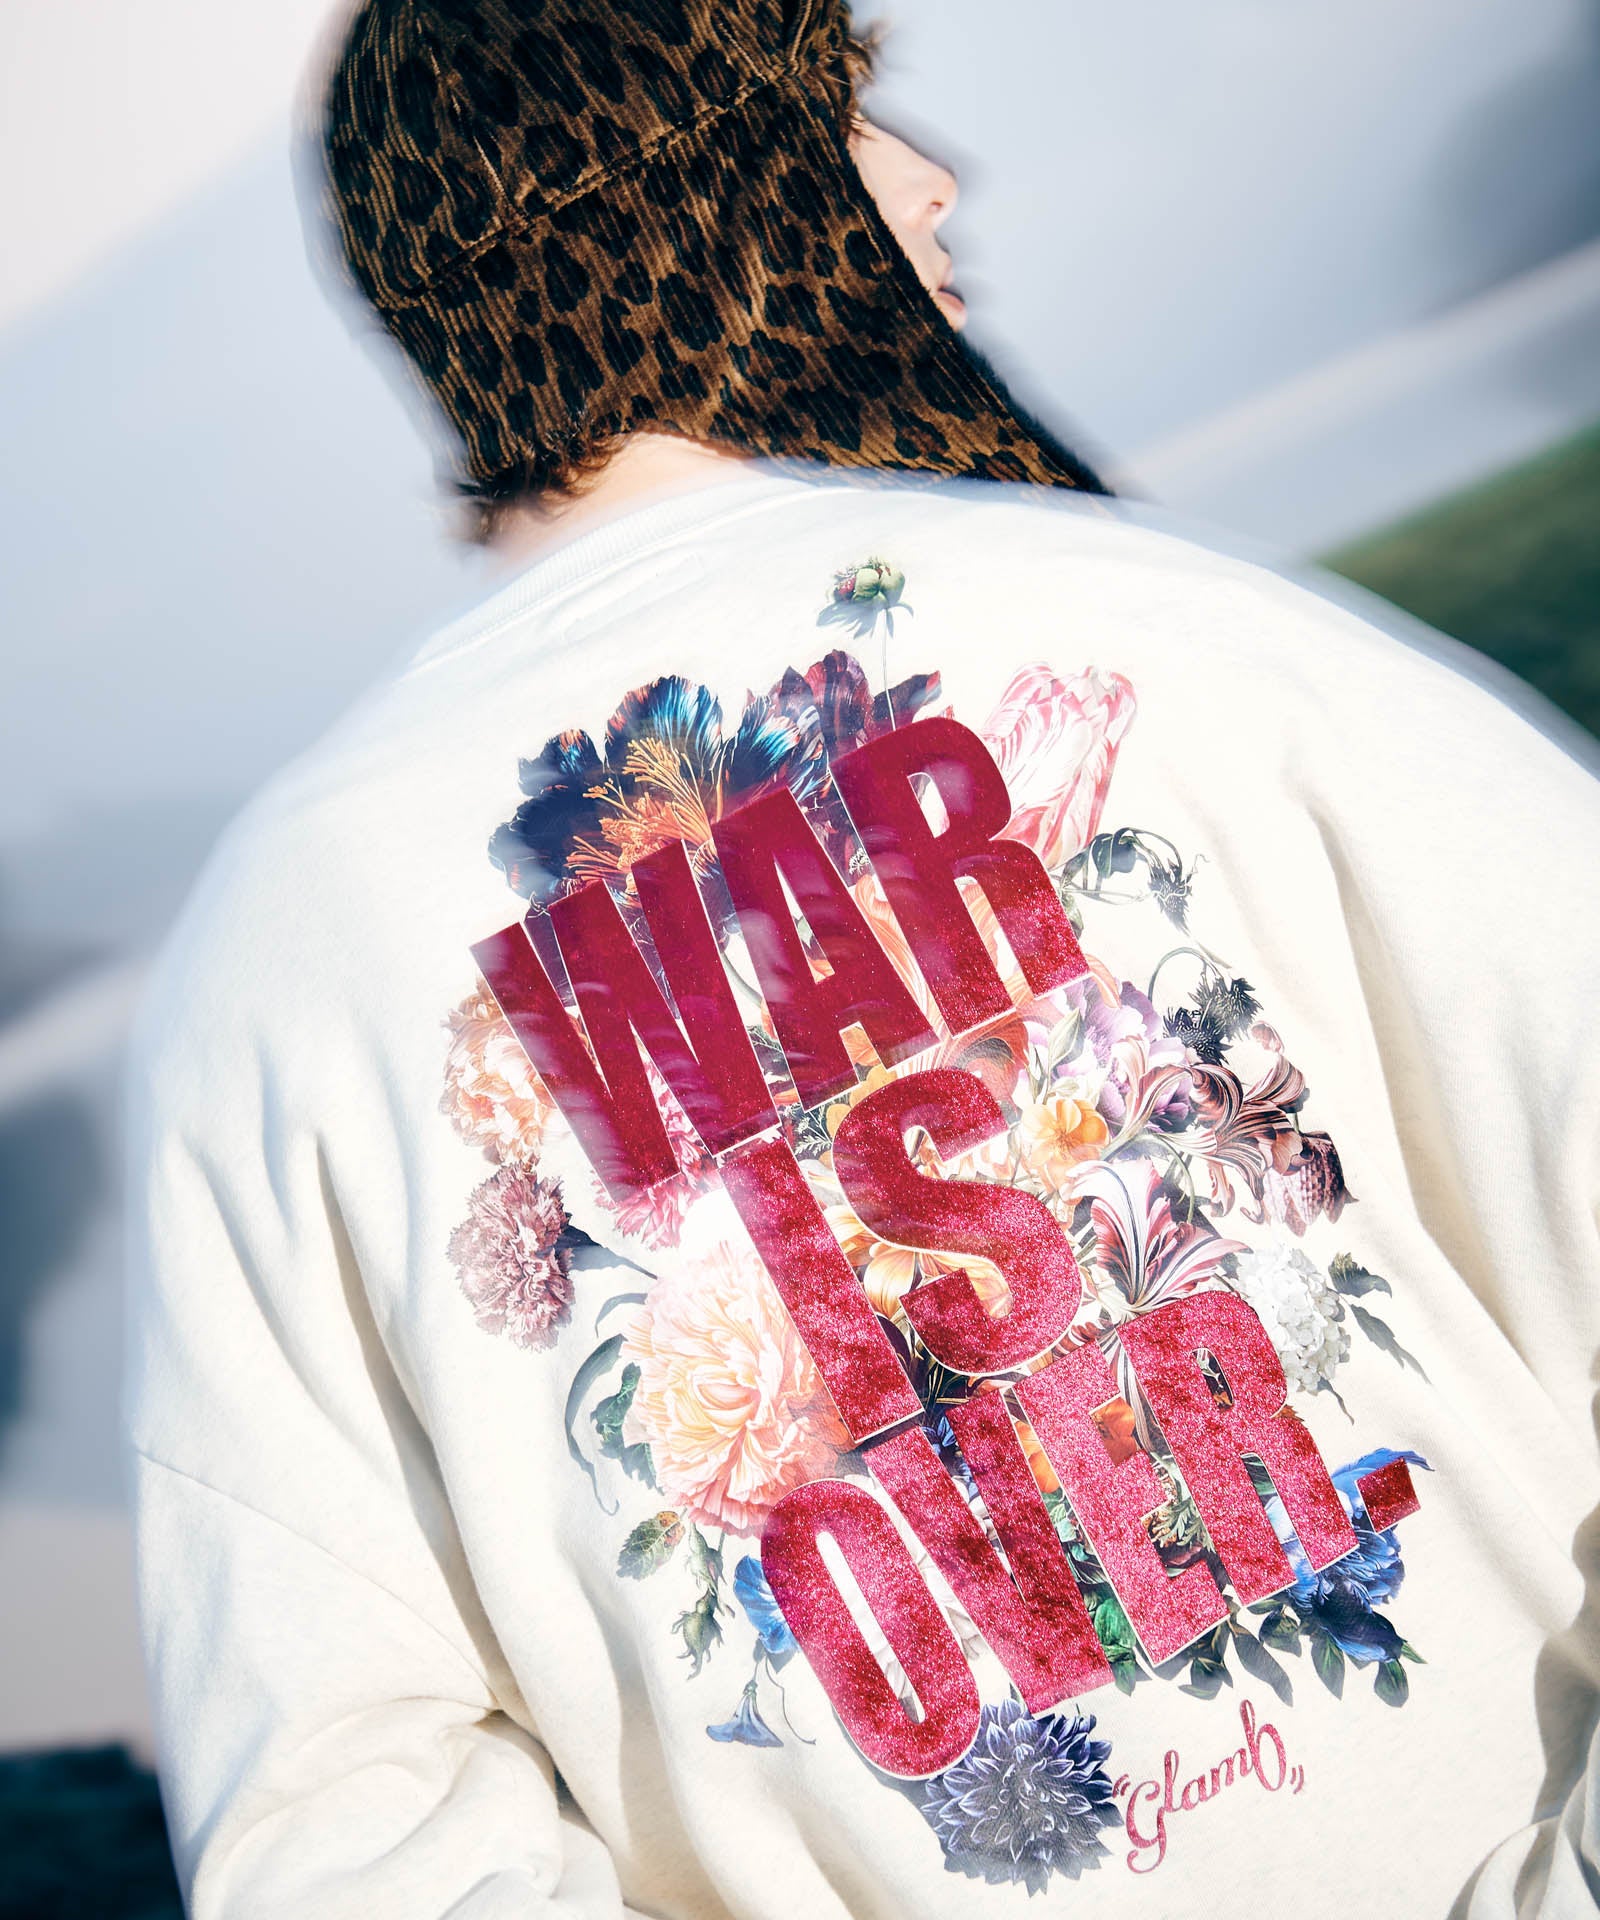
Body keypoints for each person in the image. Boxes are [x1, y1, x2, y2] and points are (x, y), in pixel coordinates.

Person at [125, 1, 1600, 1915]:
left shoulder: (276, 955)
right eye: (843, 119)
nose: (930, 182)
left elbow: (341, 1826)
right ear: (713, 200)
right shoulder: (1200, 642)